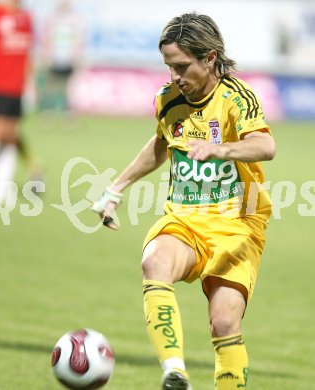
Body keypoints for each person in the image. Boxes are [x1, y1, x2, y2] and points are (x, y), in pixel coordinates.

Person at [92, 13, 276, 390]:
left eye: (181, 66)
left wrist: (220, 149)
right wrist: (117, 187)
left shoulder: (235, 98)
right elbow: (162, 143)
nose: (174, 76)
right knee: (154, 261)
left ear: (209, 58)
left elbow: (266, 146)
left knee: (224, 323)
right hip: (186, 218)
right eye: (168, 66)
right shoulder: (167, 98)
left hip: (237, 223)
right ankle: (174, 373)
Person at [0, 0, 41, 202]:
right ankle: (32, 168)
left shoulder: (26, 19)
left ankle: (7, 182)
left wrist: (31, 84)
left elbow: (27, 54)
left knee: (10, 134)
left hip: (15, 86)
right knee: (4, 133)